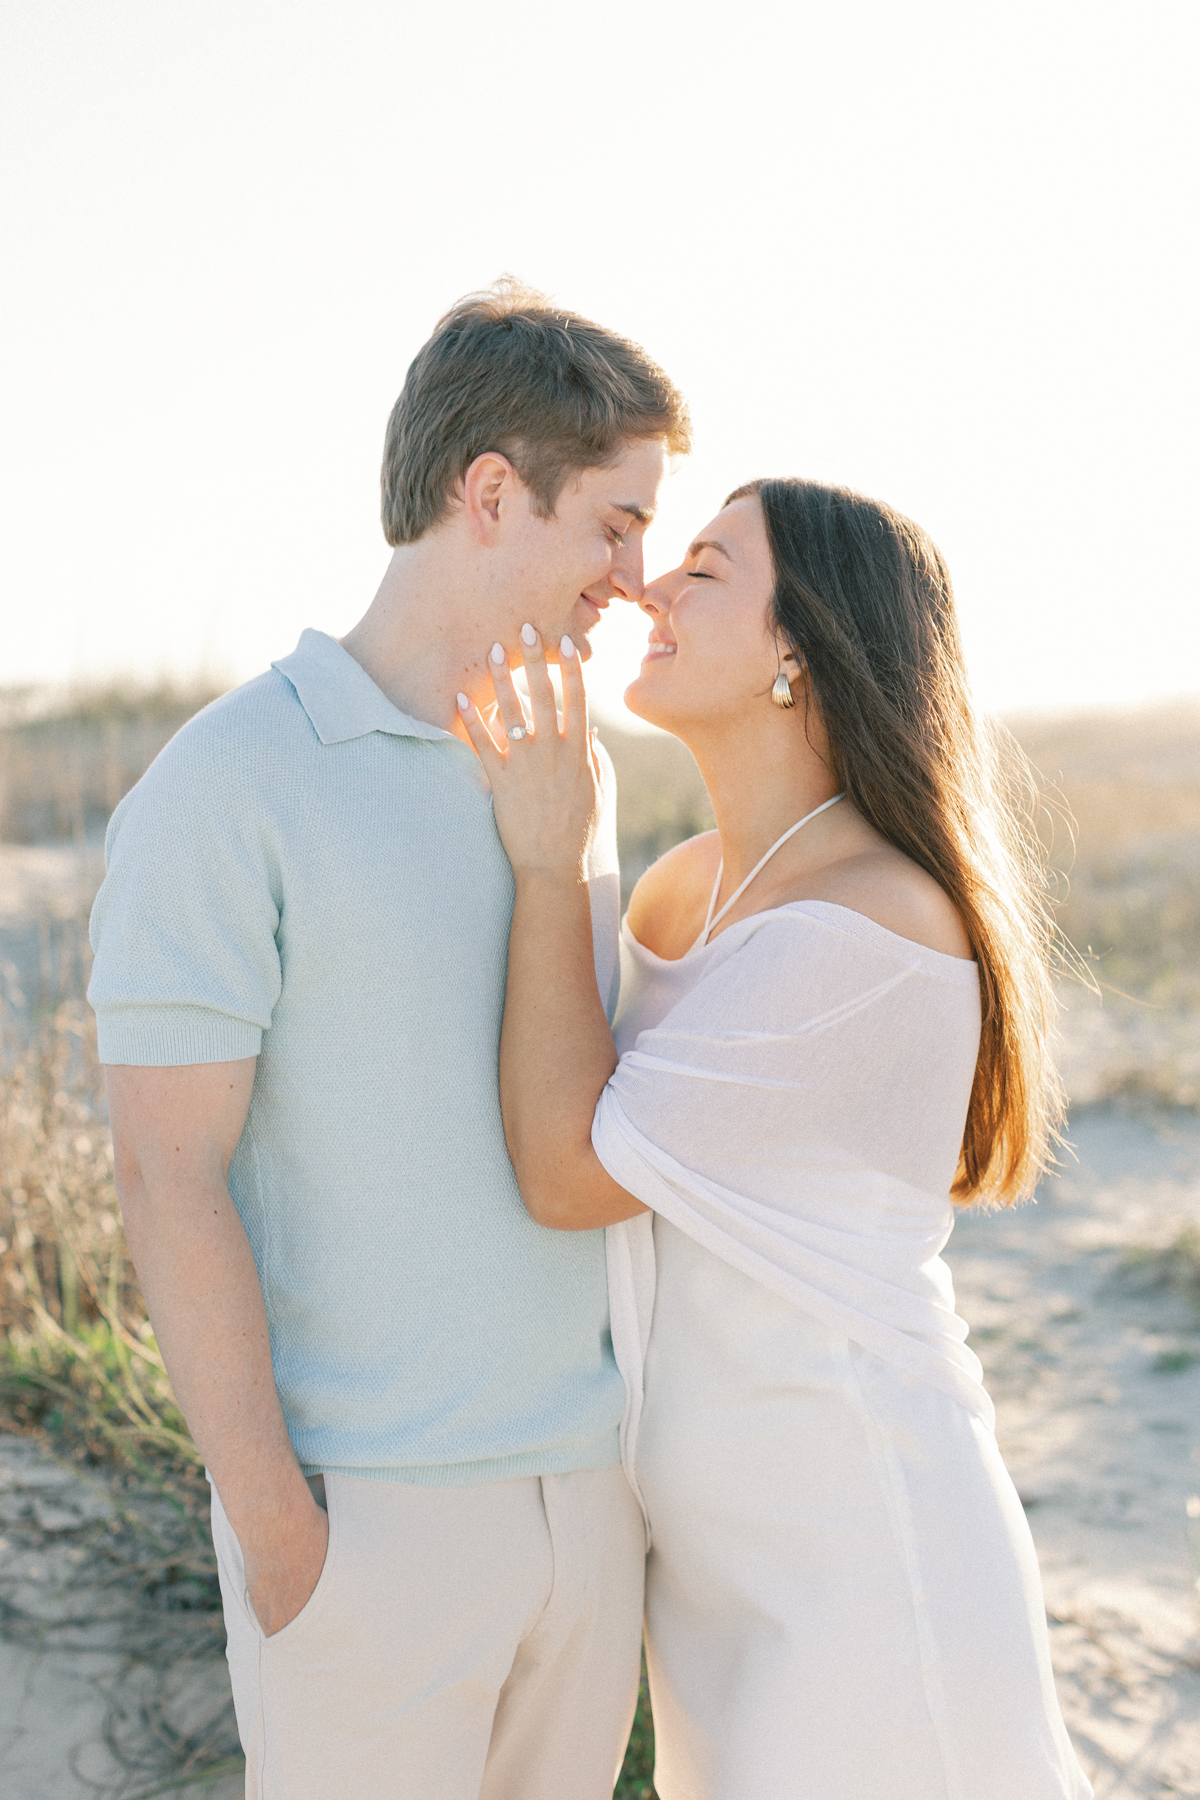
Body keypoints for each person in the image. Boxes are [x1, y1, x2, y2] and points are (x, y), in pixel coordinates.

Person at [88, 280, 690, 1799]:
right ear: (491, 492)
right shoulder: (232, 781)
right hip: (369, 1533)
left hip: (586, 1503)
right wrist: (282, 1535)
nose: (636, 577)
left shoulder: (580, 773)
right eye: (613, 525)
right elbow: (168, 1177)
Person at [459, 477, 1094, 1798]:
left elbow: (571, 1170)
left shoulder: (867, 921)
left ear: (799, 646)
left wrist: (548, 862)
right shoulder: (692, 884)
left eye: (704, 565)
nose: (651, 585)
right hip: (716, 1568)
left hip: (860, 1548)